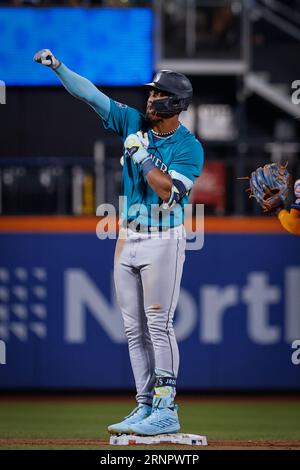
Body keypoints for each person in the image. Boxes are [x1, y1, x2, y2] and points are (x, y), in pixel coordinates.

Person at [34, 49, 204, 436]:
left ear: (175, 103)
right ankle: (145, 405)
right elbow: (92, 95)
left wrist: (143, 157)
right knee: (133, 329)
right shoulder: (134, 122)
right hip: (127, 237)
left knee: (159, 324)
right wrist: (60, 68)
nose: (149, 99)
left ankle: (167, 408)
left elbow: (169, 194)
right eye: (150, 93)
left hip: (163, 238)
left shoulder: (188, 147)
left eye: (157, 94)